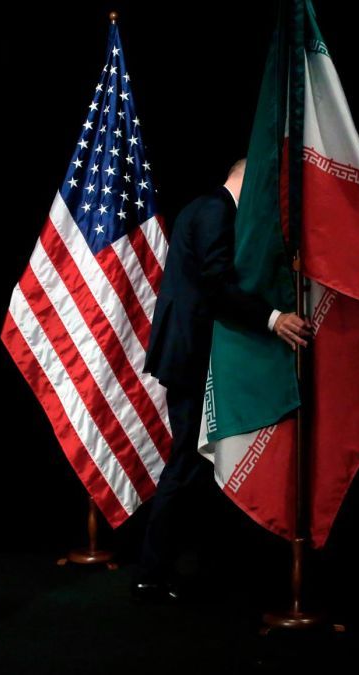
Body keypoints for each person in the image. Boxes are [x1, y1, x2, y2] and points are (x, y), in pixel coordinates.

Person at [134, 159, 310, 601]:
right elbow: (216, 284)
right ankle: (152, 573)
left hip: (191, 354)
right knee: (186, 463)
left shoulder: (205, 208)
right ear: (246, 182)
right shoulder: (216, 210)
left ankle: (174, 569)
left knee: (191, 465)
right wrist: (274, 319)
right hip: (192, 357)